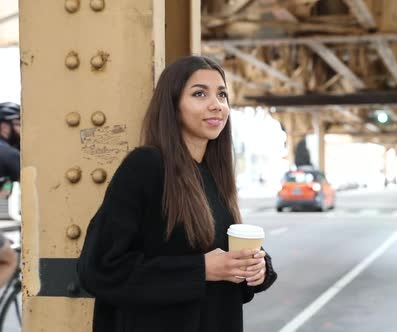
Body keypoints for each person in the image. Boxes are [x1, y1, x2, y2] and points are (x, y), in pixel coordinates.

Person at [77, 56, 277, 332]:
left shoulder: (215, 177)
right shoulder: (146, 166)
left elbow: (219, 256)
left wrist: (258, 269)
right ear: (172, 106)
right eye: (199, 94)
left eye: (222, 94)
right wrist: (201, 270)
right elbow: (99, 268)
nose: (216, 104)